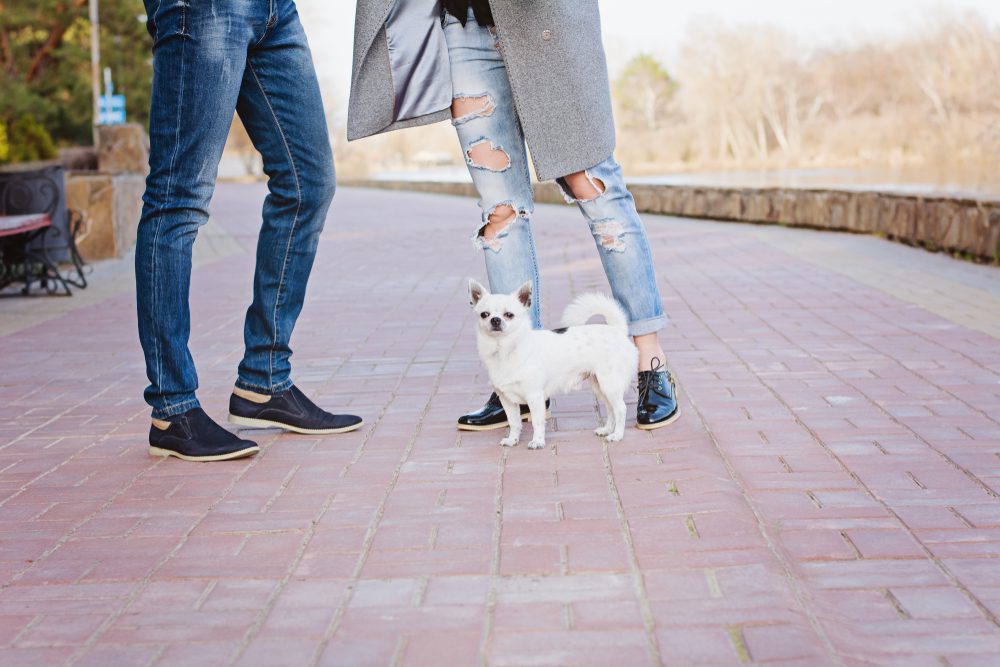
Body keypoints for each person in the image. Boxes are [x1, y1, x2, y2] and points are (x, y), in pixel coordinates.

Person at [349, 0, 679, 432]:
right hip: (462, 29)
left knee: (595, 187)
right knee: (500, 213)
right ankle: (525, 381)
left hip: (546, 22)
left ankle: (650, 360)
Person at [137, 0, 362, 462]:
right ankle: (172, 407)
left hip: (276, 10)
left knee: (308, 184)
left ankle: (264, 380)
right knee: (178, 197)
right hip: (201, 9)